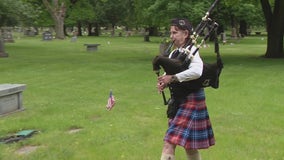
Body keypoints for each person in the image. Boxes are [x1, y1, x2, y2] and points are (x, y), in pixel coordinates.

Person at [157, 18, 215, 160]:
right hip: (179, 100)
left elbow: (197, 72)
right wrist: (164, 81)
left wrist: (173, 78)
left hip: (192, 99)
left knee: (169, 142)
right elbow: (171, 71)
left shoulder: (192, 51)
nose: (172, 36)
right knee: (190, 146)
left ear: (186, 34)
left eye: (175, 33)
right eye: (171, 33)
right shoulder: (174, 53)